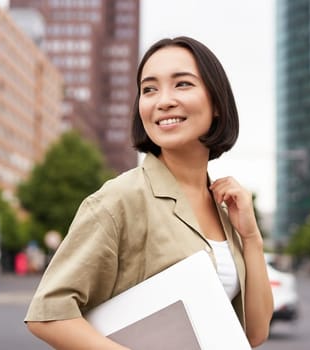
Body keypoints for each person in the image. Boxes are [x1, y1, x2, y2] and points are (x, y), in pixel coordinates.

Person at [24, 36, 273, 349]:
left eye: (182, 84)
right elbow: (48, 314)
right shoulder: (120, 199)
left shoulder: (226, 211)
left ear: (218, 105)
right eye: (149, 89)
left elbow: (254, 333)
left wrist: (251, 238)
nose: (162, 100)